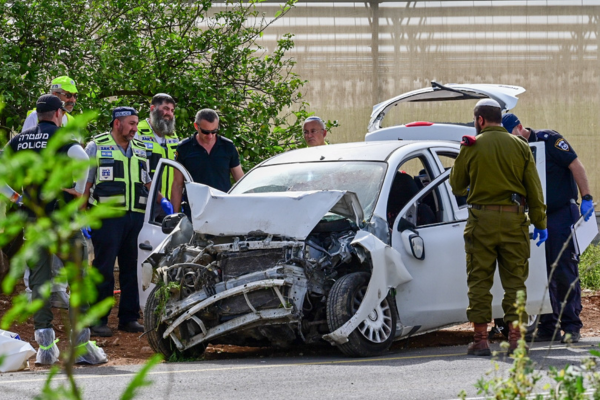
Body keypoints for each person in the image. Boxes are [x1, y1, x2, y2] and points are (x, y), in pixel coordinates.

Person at [6, 94, 106, 364]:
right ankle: (82, 347)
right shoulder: (62, 139)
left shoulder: (20, 140)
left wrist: (16, 198)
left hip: (35, 222)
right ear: (59, 113)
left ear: (38, 114)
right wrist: (78, 190)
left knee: (39, 283)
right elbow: (83, 158)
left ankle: (46, 350)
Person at [450, 99, 547, 356]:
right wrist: (540, 222)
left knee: (479, 280)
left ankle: (481, 340)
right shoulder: (520, 146)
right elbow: (534, 190)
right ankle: (515, 339)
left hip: (481, 221)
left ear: (480, 120)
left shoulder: (472, 146)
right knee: (515, 281)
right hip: (515, 221)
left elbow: (457, 186)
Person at [503, 113, 593, 344]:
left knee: (563, 270)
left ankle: (571, 326)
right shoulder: (514, 150)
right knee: (539, 273)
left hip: (560, 215)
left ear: (520, 127)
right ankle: (548, 326)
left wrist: (586, 197)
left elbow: (575, 165)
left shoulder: (548, 139)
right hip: (534, 217)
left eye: (510, 134)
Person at [84, 106, 154, 337]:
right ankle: (98, 320)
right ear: (117, 123)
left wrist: (162, 203)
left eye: (136, 123)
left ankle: (129, 318)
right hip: (107, 217)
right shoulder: (96, 145)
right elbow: (85, 184)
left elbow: (147, 183)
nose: (136, 128)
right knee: (103, 268)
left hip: (135, 217)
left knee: (131, 268)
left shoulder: (142, 148)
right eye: (132, 123)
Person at [171, 109, 244, 212]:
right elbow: (177, 185)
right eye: (205, 132)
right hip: (195, 211)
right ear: (196, 126)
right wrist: (174, 215)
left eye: (214, 131)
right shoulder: (184, 148)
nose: (210, 136)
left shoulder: (228, 147)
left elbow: (241, 180)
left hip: (223, 208)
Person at [135, 93, 178, 206]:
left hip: (168, 202)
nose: (169, 114)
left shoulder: (173, 136)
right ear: (153, 108)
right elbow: (136, 170)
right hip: (144, 202)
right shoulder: (137, 132)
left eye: (172, 110)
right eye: (166, 108)